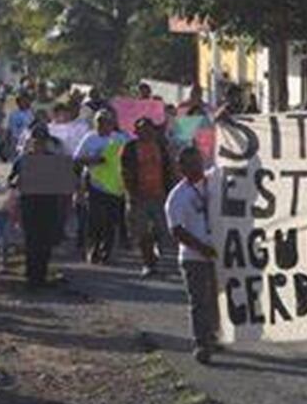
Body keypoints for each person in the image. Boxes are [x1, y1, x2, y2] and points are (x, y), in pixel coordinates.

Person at [165, 147, 220, 363]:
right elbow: (176, 231)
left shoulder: (213, 181)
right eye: (190, 164)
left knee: (217, 299)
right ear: (181, 168)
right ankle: (201, 343)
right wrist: (202, 248)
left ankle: (214, 336)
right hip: (193, 257)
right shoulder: (177, 197)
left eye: (198, 161)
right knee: (199, 301)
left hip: (217, 254)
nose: (196, 166)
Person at [10, 126, 66, 287]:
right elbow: (10, 180)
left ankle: (41, 274)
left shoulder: (54, 159)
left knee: (45, 242)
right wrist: (16, 181)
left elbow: (63, 184)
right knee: (31, 241)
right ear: (31, 142)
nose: (39, 145)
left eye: (42, 142)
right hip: (29, 204)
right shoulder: (22, 159)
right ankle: (31, 275)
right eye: (36, 141)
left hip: (48, 205)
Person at [73, 109, 128, 264]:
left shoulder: (119, 139)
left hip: (114, 185)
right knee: (95, 219)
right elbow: (77, 159)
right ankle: (93, 249)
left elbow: (128, 157)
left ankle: (107, 253)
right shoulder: (90, 138)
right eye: (99, 122)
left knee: (111, 221)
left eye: (106, 122)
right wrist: (94, 159)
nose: (102, 125)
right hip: (94, 184)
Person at [122, 117, 175, 278]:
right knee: (142, 232)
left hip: (159, 195)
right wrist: (131, 194)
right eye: (141, 129)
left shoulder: (161, 147)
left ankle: (155, 251)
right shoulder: (130, 148)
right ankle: (148, 263)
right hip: (139, 196)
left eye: (148, 128)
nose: (145, 132)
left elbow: (169, 169)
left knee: (161, 229)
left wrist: (169, 191)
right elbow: (125, 172)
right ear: (136, 132)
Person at [6, 92, 35, 160]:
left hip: (29, 140)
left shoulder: (32, 112)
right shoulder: (14, 114)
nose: (24, 102)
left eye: (26, 100)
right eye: (22, 101)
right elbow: (11, 129)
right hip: (17, 139)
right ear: (18, 102)